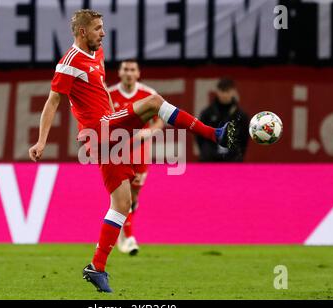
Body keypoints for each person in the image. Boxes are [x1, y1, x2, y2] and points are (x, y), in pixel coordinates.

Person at [28, 9, 236, 293]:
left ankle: (96, 267)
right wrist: (42, 141)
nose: (103, 32)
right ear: (82, 32)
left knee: (122, 204)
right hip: (99, 131)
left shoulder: (96, 55)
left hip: (107, 135)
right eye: (98, 28)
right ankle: (215, 134)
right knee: (154, 102)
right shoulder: (68, 63)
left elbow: (98, 94)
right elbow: (52, 102)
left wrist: (116, 121)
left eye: (102, 27)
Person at [108, 59, 164, 256]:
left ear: (138, 73)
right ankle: (129, 237)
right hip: (117, 152)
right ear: (120, 72)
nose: (129, 73)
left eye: (133, 69)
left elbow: (159, 121)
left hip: (140, 153)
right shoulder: (109, 94)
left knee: (134, 196)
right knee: (122, 196)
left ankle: (123, 232)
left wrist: (149, 133)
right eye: (126, 69)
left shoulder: (148, 94)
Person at [196, 78, 249, 162]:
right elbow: (199, 135)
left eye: (227, 91)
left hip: (232, 161)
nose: (224, 95)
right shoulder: (207, 113)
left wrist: (238, 156)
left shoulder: (241, 116)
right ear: (217, 91)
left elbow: (244, 138)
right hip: (209, 160)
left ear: (233, 92)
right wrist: (206, 152)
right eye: (222, 91)